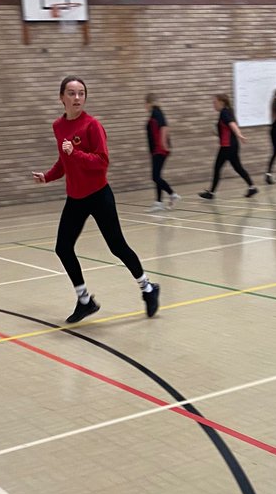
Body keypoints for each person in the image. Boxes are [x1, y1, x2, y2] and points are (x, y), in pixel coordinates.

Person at [31, 76, 160, 323]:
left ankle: (148, 288)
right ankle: (85, 301)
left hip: (99, 195)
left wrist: (76, 153)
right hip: (75, 197)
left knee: (117, 246)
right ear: (62, 98)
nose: (77, 97)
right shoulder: (58, 126)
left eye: (81, 93)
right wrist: (47, 177)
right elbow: (64, 161)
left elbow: (102, 162)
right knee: (63, 248)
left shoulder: (92, 125)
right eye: (71, 93)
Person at [199, 93, 257, 199]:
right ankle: (252, 187)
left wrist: (240, 135)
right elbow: (228, 127)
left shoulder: (224, 113)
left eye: (214, 102)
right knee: (237, 167)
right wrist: (218, 133)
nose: (213, 105)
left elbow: (232, 125)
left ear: (221, 102)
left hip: (227, 146)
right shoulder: (227, 111)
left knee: (217, 168)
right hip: (231, 145)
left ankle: (211, 193)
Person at [145, 93, 180, 211]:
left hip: (159, 149)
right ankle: (159, 202)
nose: (145, 106)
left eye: (145, 104)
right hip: (156, 150)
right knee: (157, 176)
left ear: (149, 103)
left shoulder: (156, 112)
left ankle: (172, 194)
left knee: (155, 177)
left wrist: (164, 144)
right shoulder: (155, 112)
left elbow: (165, 127)